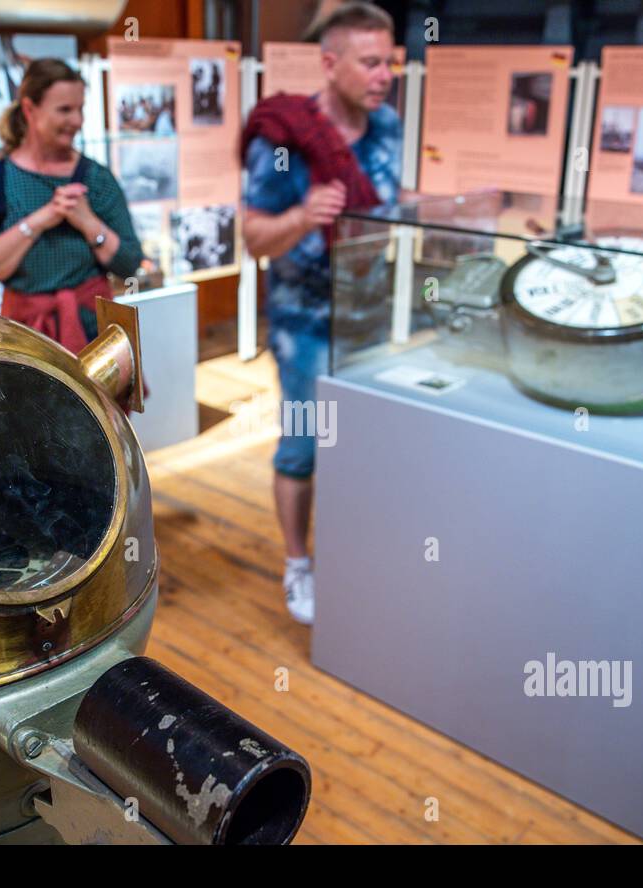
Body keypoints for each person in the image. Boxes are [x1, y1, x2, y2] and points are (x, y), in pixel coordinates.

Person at [241, 2, 402, 625]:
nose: (384, 74)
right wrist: (304, 216)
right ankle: (298, 562)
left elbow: (393, 208)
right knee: (305, 445)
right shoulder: (282, 139)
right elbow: (255, 237)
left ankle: (356, 554)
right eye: (370, 62)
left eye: (389, 61)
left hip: (373, 319)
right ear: (330, 63)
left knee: (362, 443)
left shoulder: (387, 127)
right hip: (303, 321)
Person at [0, 59, 143, 353]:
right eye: (64, 110)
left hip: (91, 330)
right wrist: (42, 219)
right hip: (23, 334)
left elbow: (129, 263)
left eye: (80, 109)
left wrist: (88, 223)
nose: (77, 121)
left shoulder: (96, 179)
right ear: (30, 109)